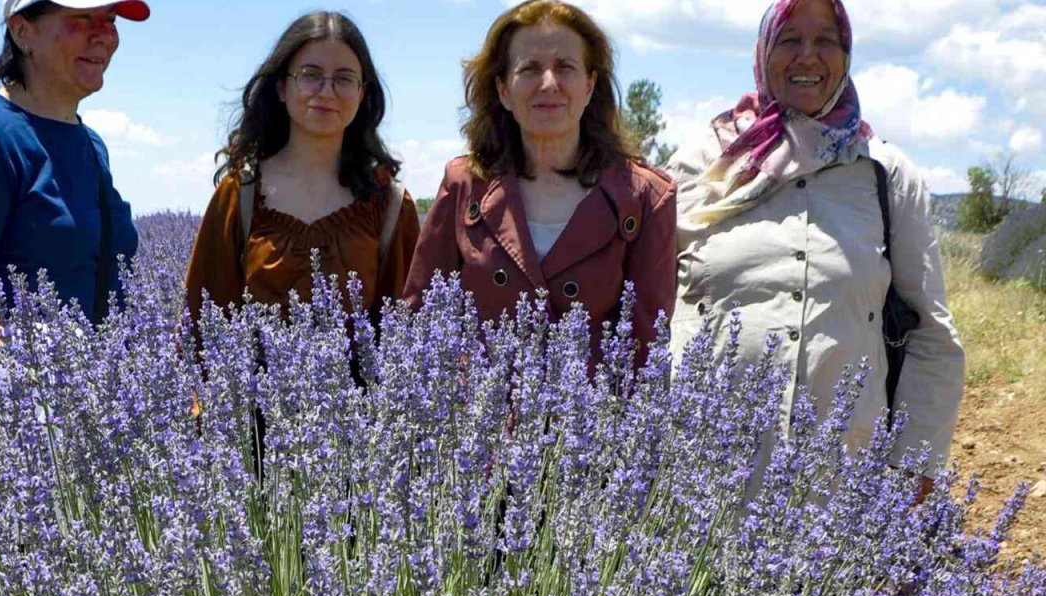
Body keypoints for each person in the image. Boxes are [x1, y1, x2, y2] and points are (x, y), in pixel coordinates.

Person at [665, 0, 964, 480]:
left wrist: (911, 474)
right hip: (702, 482)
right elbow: (640, 311)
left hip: (836, 487)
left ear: (846, 54)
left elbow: (931, 335)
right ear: (764, 51)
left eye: (826, 40)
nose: (808, 56)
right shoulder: (702, 166)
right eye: (790, 39)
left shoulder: (885, 174)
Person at [403, 0, 676, 367]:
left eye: (565, 68)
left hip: (591, 421)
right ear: (503, 90)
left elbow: (648, 351)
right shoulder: (464, 184)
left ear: (590, 84)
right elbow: (419, 325)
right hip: (478, 418)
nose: (549, 84)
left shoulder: (644, 197)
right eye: (530, 69)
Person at [0, 0, 149, 427]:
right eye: (81, 19)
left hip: (101, 411)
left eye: (110, 20)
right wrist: (10, 360)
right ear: (22, 32)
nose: (103, 34)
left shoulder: (89, 143)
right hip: (22, 423)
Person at [183, 11, 419, 330]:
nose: (326, 91)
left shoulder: (389, 204)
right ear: (282, 87)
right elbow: (202, 328)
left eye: (344, 78)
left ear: (362, 93)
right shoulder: (240, 195)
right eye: (310, 75)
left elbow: (407, 334)